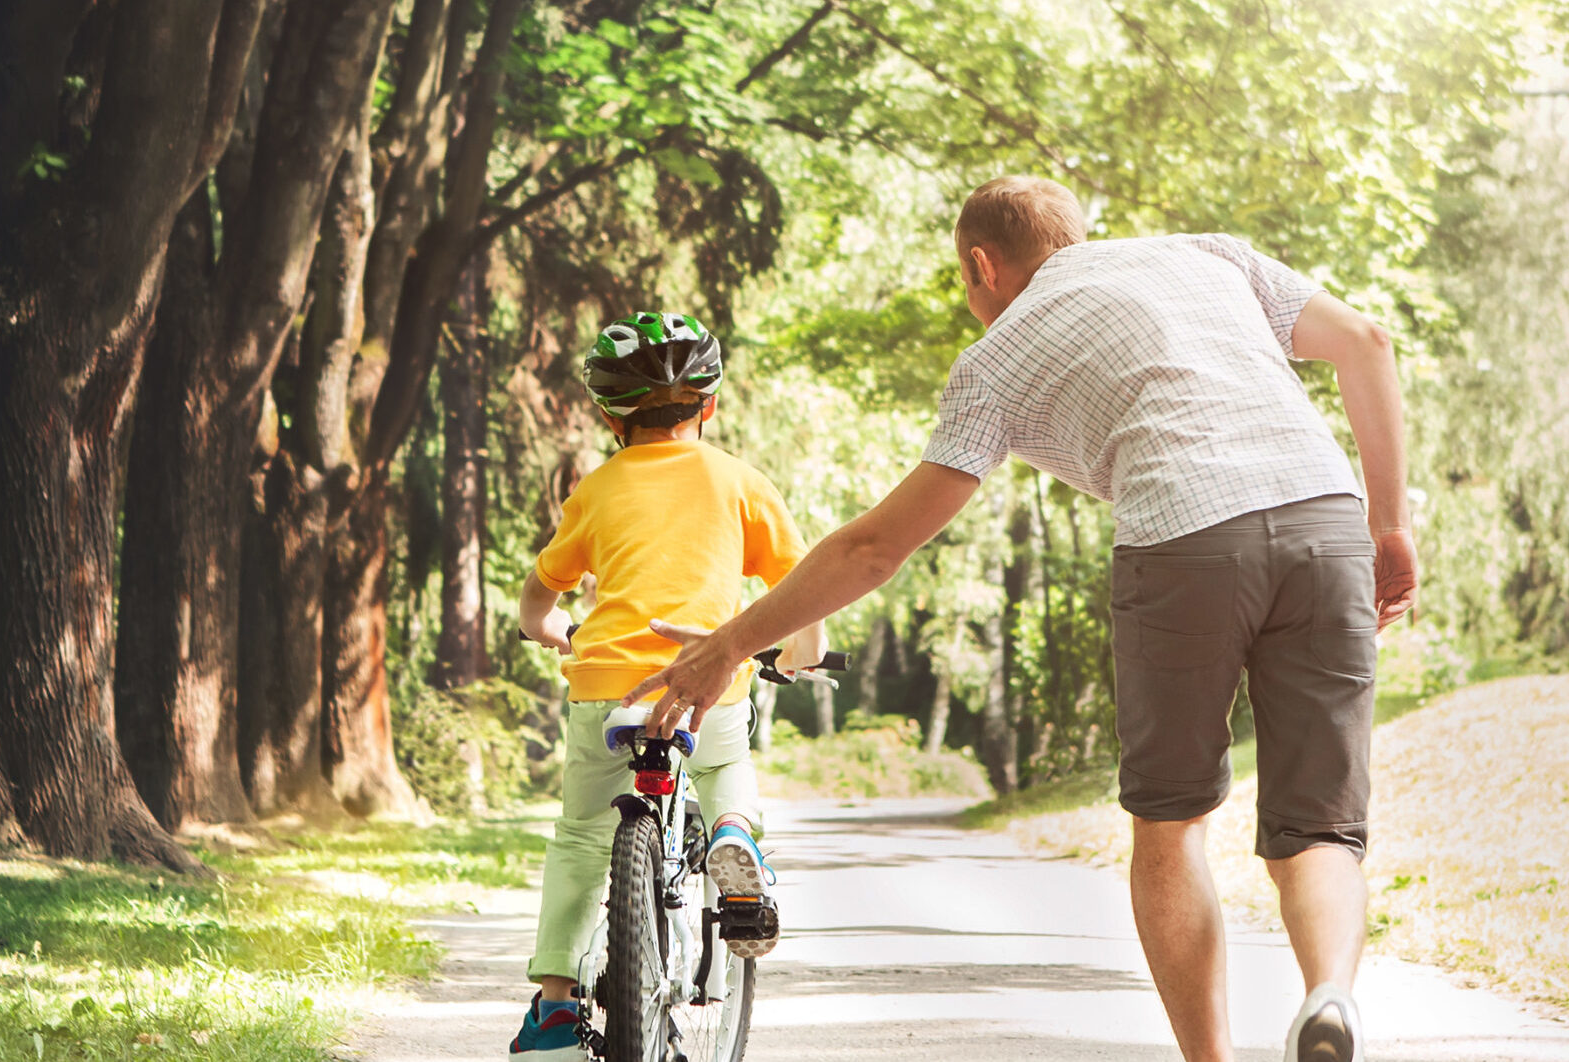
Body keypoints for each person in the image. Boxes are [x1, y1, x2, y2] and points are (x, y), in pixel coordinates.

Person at [622, 177, 1420, 1062]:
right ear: (1075, 237)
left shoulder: (998, 356)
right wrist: (1390, 526)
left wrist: (729, 644)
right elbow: (1366, 343)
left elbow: (876, 548)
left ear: (981, 267)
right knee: (1320, 828)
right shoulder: (1209, 253)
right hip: (1325, 518)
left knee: (1171, 823)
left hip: (1182, 537)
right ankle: (1330, 996)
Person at [507, 311, 827, 1061]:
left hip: (608, 692)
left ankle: (555, 1009)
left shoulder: (595, 490)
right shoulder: (740, 482)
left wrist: (549, 632)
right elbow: (803, 588)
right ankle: (734, 841)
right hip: (708, 684)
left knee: (583, 836)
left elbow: (538, 594)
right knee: (721, 764)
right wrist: (799, 653)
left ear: (609, 413)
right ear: (709, 405)